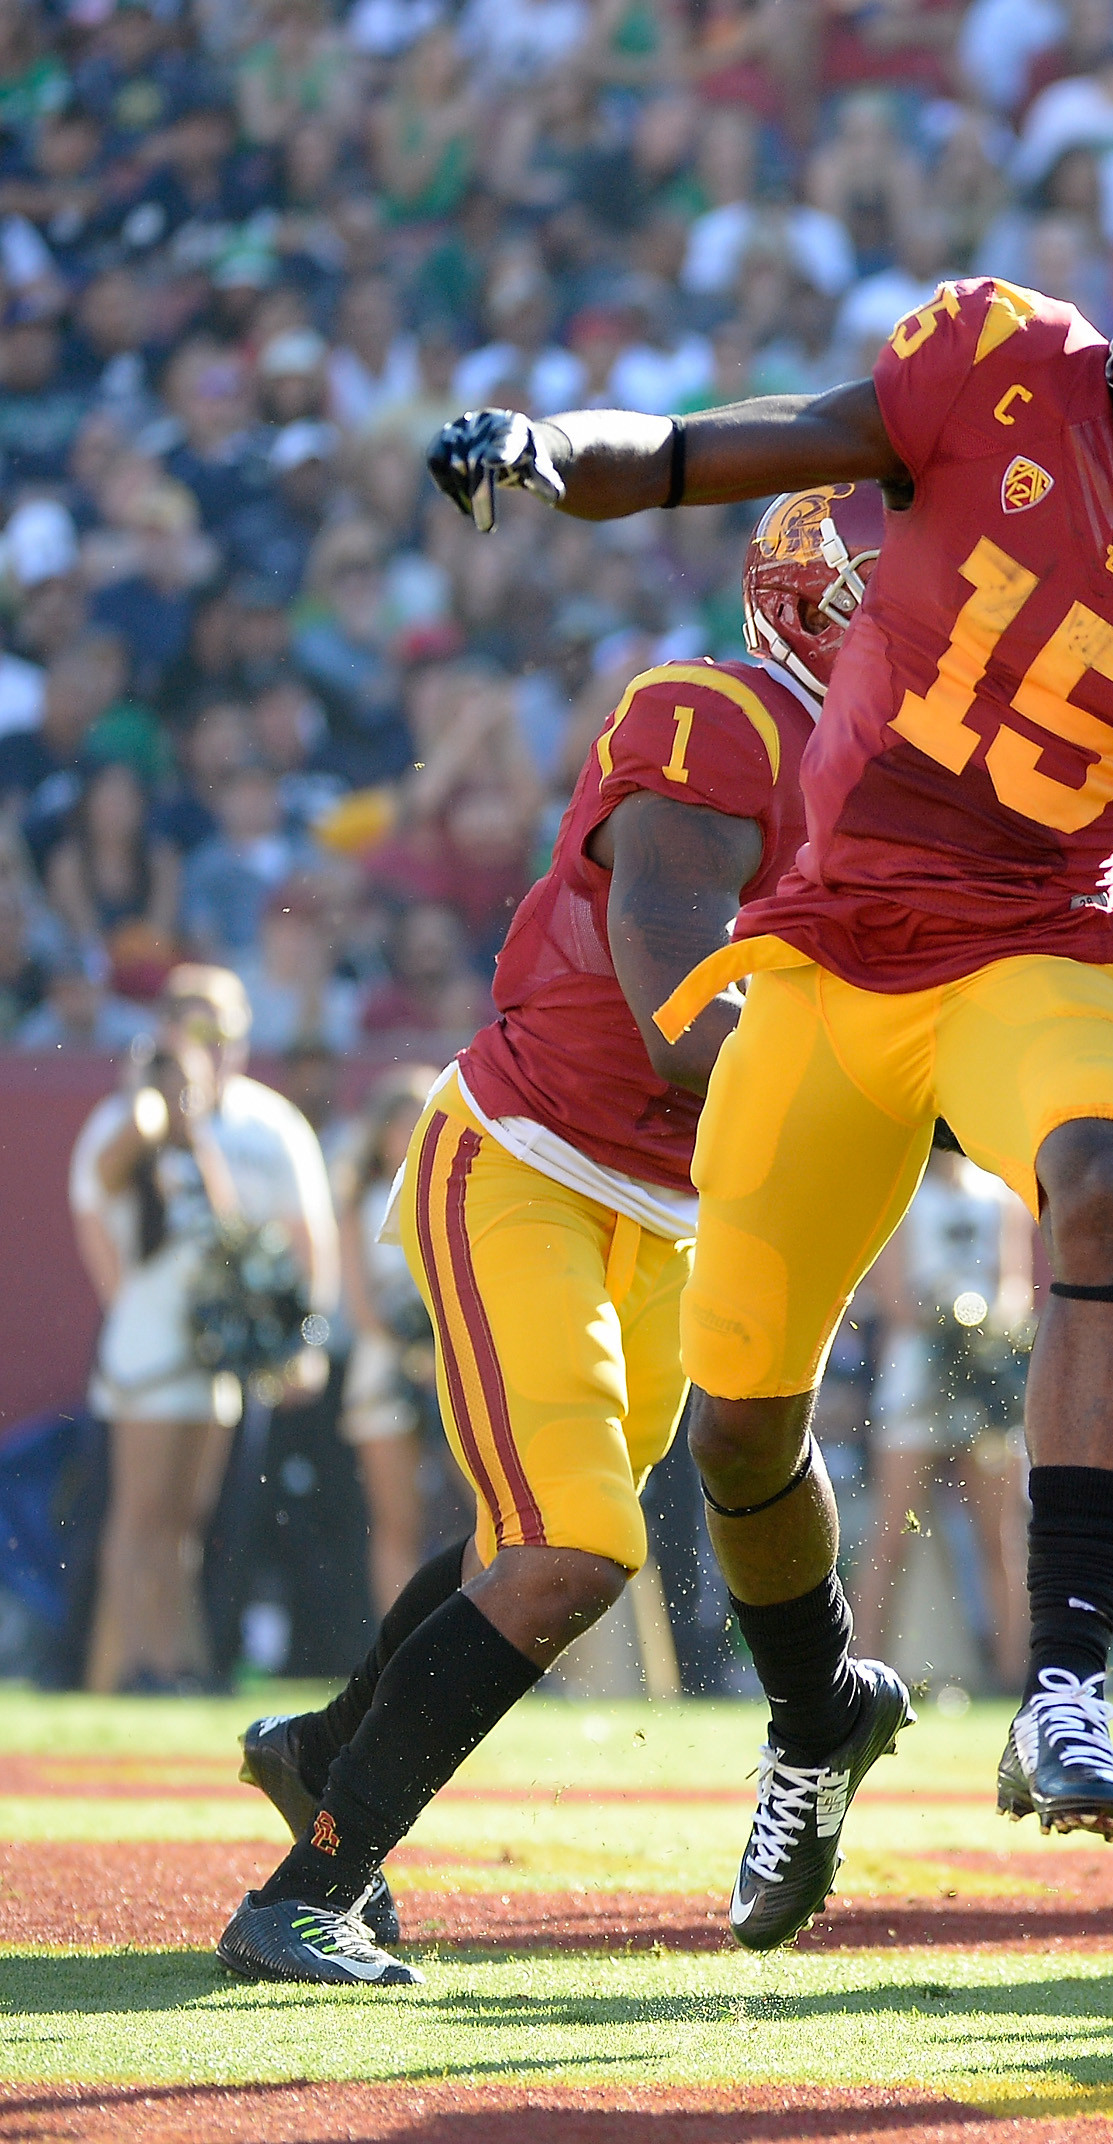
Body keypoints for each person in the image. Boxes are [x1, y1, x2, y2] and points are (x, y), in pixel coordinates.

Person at [421, 189, 1113, 1950]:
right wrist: (546, 441)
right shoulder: (998, 364)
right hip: (822, 954)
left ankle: (1068, 1679)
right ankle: (813, 1729)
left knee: (1105, 1172)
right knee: (739, 1419)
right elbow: (703, 451)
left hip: (1034, 945)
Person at [212, 486, 865, 1987]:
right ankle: (307, 1892)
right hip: (526, 1159)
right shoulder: (717, 716)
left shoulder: (910, 776)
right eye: (876, 607)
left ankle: (324, 1750)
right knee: (576, 1543)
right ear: (797, 603)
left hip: (669, 1216)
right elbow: (682, 1007)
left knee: (538, 1536)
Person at [68, 964, 335, 1694]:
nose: (204, 1049)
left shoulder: (260, 1122)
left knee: (186, 1519)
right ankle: (140, 1669)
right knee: (140, 1514)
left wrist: (295, 1337)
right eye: (187, 1032)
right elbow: (99, 1192)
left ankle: (177, 1660)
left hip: (217, 1350)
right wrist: (164, 1109)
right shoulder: (133, 1116)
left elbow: (260, 1233)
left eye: (218, 1034)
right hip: (152, 1342)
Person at [858, 1145, 1035, 1692]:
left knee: (1000, 1537)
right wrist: (948, 1318)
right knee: (892, 1533)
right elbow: (891, 1296)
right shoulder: (902, 1195)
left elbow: (1016, 1289)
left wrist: (983, 1332)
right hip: (916, 1375)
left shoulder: (998, 1196)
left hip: (985, 1383)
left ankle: (1013, 1678)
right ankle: (858, 1676)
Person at [332, 1065, 446, 1615]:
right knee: (397, 1521)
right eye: (398, 1124)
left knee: (479, 1513)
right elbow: (362, 1306)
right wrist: (409, 1350)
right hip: (385, 1369)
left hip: (452, 1363)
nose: (407, 1135)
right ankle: (398, 1648)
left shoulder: (453, 1191)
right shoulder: (360, 1201)